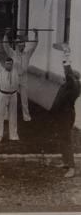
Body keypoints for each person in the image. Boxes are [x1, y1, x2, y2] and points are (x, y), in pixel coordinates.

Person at [50, 45, 80, 178]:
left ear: (74, 78)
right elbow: (68, 73)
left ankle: (72, 168)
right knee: (62, 138)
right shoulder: (69, 85)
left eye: (70, 76)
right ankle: (66, 162)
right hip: (62, 114)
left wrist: (66, 55)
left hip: (66, 115)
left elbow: (68, 72)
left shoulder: (73, 86)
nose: (67, 76)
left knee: (66, 139)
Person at [3, 29, 38, 121]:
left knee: (24, 98)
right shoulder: (12, 53)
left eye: (22, 45)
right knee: (10, 95)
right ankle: (6, 115)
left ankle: (26, 116)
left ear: (24, 46)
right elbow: (5, 45)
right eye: (19, 45)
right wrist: (6, 35)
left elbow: (34, 46)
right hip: (14, 76)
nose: (21, 47)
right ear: (17, 46)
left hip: (24, 77)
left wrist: (36, 35)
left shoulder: (27, 54)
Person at [0, 43, 20, 143]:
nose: (9, 66)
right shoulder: (0, 70)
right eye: (7, 64)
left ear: (13, 64)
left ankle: (14, 136)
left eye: (10, 64)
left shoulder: (15, 70)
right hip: (3, 95)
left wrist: (16, 47)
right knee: (0, 116)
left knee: (13, 116)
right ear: (4, 64)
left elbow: (15, 57)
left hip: (13, 95)